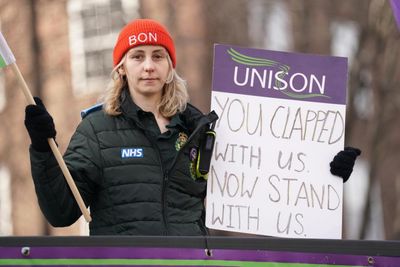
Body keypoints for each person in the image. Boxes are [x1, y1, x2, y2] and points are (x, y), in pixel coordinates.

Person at [24, 18, 360, 236]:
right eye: (137, 56)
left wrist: (325, 173)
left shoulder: (202, 129)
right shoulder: (96, 130)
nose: (149, 66)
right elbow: (61, 211)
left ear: (171, 66)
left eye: (158, 56)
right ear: (121, 68)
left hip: (192, 259)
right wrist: (42, 148)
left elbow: (266, 182)